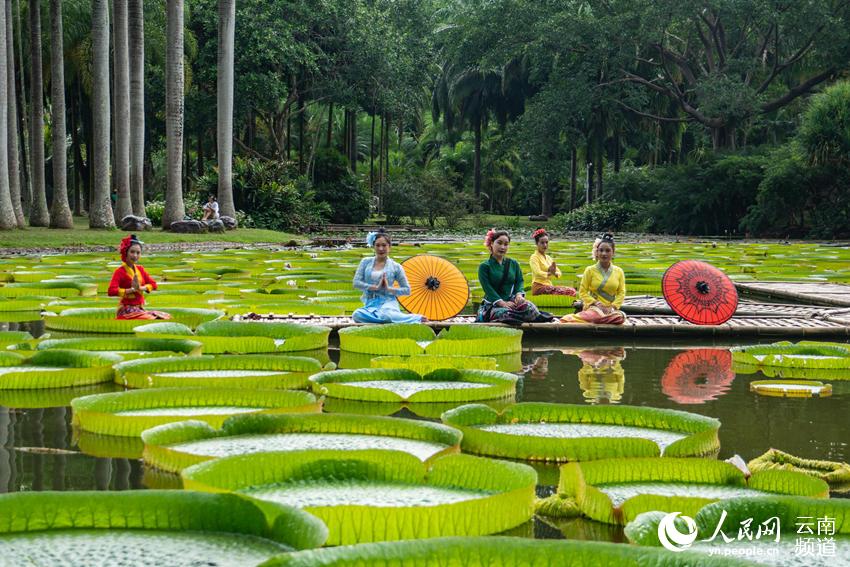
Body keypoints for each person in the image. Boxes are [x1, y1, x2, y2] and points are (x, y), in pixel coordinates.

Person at [477, 229, 555, 324]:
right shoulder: (484, 266)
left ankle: (524, 316)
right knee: (505, 314)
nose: (502, 247)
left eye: (506, 244)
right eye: (499, 243)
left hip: (512, 301)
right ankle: (526, 317)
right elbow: (488, 289)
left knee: (530, 307)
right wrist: (502, 303)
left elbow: (519, 281)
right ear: (492, 243)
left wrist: (518, 295)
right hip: (494, 305)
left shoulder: (513, 263)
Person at [352, 229, 423, 324]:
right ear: (373, 246)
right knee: (357, 315)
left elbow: (407, 290)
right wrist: (374, 287)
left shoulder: (396, 267)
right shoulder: (365, 262)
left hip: (388, 303)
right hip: (371, 303)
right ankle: (388, 319)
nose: (381, 249)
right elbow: (356, 283)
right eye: (377, 245)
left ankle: (415, 318)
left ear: (389, 247)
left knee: (387, 315)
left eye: (384, 245)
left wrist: (389, 289)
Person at [561, 233, 626, 324]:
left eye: (607, 251)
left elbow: (621, 293)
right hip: (594, 308)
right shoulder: (590, 270)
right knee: (595, 315)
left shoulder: (619, 271)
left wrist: (613, 307)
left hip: (610, 310)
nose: (604, 253)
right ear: (597, 252)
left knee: (620, 317)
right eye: (601, 250)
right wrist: (595, 303)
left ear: (613, 252)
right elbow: (582, 292)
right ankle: (579, 318)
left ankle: (591, 319)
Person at [107, 235, 172, 320]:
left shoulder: (140, 269)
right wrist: (131, 290)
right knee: (152, 319)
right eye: (132, 252)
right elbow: (111, 291)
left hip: (139, 308)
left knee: (166, 317)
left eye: (138, 253)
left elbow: (154, 284)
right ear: (126, 252)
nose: (135, 255)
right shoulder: (119, 272)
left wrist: (142, 288)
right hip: (127, 310)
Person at [529, 228, 576, 296]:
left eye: (546, 242)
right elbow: (537, 273)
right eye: (542, 243)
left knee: (572, 290)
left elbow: (559, 273)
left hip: (548, 286)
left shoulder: (549, 258)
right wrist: (550, 273)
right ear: (536, 243)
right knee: (569, 292)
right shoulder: (534, 257)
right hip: (538, 287)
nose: (545, 245)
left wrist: (554, 273)